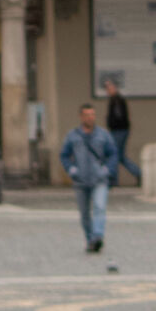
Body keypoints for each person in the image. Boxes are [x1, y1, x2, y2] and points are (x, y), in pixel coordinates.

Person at [60, 101, 119, 254]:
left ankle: (97, 236)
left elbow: (113, 153)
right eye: (87, 115)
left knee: (99, 207)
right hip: (80, 180)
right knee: (85, 213)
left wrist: (107, 169)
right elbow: (64, 155)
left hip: (99, 179)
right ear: (81, 117)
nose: (90, 118)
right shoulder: (73, 136)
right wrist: (71, 169)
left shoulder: (103, 135)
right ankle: (90, 239)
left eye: (92, 114)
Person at [104, 84, 141, 186]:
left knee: (115, 155)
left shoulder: (116, 100)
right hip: (119, 130)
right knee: (120, 156)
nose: (108, 91)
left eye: (110, 88)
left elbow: (118, 116)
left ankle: (113, 179)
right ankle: (138, 173)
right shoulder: (115, 100)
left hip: (118, 130)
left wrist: (112, 124)